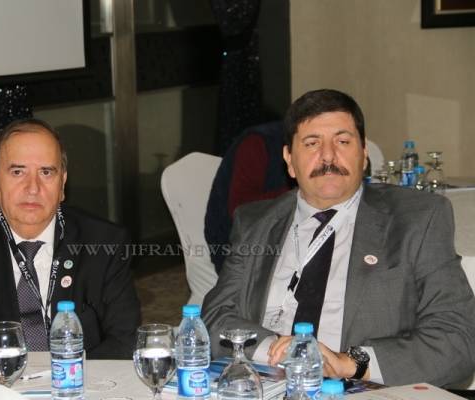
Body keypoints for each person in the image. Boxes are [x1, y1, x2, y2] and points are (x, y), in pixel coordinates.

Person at [201, 89, 475, 386]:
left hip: (360, 389)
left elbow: (457, 340)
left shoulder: (417, 219)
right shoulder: (256, 222)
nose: (328, 156)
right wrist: (277, 349)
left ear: (364, 155)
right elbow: (216, 318)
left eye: (343, 142)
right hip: (266, 383)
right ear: (289, 160)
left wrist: (349, 363)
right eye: (312, 143)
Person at [0, 118, 141, 367]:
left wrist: (60, 378)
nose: (33, 188)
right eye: (18, 172)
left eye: (46, 172)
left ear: (62, 184)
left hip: (75, 383)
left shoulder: (104, 243)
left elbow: (125, 342)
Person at [205, 121, 292, 273]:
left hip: (287, 237)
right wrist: (300, 193)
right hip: (238, 247)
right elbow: (240, 210)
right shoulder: (257, 143)